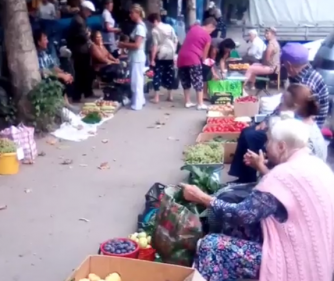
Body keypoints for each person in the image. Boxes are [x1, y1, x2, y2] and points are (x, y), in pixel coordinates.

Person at [181, 118, 334, 281]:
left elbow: (241, 214)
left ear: (281, 146)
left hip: (294, 262)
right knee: (235, 228)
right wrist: (260, 166)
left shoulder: (282, 175)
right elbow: (284, 194)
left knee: (210, 245)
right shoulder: (317, 166)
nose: (265, 147)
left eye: (268, 141)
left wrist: (202, 197)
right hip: (317, 256)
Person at [229, 42, 329, 183]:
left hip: (300, 131)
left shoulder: (306, 85)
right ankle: (246, 177)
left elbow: (287, 110)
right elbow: (284, 106)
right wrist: (267, 120)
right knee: (251, 131)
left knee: (252, 136)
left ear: (288, 64)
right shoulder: (300, 78)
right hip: (296, 123)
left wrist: (271, 126)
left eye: (283, 64)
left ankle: (250, 178)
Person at [244, 84, 327, 179]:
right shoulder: (308, 127)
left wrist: (261, 167)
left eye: (282, 104)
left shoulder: (302, 137)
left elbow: (286, 183)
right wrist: (263, 162)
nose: (279, 108)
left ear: (294, 108)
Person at [177, 17, 217, 110]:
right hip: (193, 58)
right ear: (210, 26)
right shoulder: (207, 37)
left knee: (185, 79)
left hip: (181, 57)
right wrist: (205, 63)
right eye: (212, 30)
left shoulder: (193, 28)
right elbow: (204, 55)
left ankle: (187, 101)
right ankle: (200, 103)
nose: (211, 32)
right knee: (198, 80)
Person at [34, 30, 77, 111]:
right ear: (39, 42)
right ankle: (64, 106)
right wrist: (62, 76)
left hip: (52, 76)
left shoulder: (45, 53)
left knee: (68, 74)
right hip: (45, 81)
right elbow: (44, 72)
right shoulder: (36, 56)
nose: (47, 41)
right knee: (60, 80)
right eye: (45, 39)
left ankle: (66, 104)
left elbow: (53, 66)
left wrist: (64, 74)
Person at [118, 4, 147, 111]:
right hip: (136, 57)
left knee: (136, 81)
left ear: (137, 13)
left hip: (137, 57)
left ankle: (137, 103)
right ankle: (140, 100)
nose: (130, 15)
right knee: (137, 80)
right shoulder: (140, 26)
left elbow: (137, 45)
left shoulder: (139, 27)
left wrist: (123, 45)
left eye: (132, 13)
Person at [66, 0, 95, 102]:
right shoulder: (78, 21)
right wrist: (87, 34)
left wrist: (87, 33)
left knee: (85, 72)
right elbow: (84, 36)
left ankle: (86, 92)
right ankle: (77, 95)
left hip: (82, 50)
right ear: (84, 10)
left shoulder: (81, 19)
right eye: (89, 11)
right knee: (80, 73)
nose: (90, 14)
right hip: (79, 51)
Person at [147, 13, 178, 104]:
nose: (151, 25)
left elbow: (155, 46)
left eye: (151, 23)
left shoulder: (154, 30)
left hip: (160, 54)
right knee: (170, 73)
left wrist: (152, 59)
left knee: (157, 74)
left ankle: (156, 97)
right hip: (170, 53)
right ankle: (170, 95)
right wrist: (173, 51)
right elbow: (175, 40)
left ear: (155, 21)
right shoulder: (169, 27)